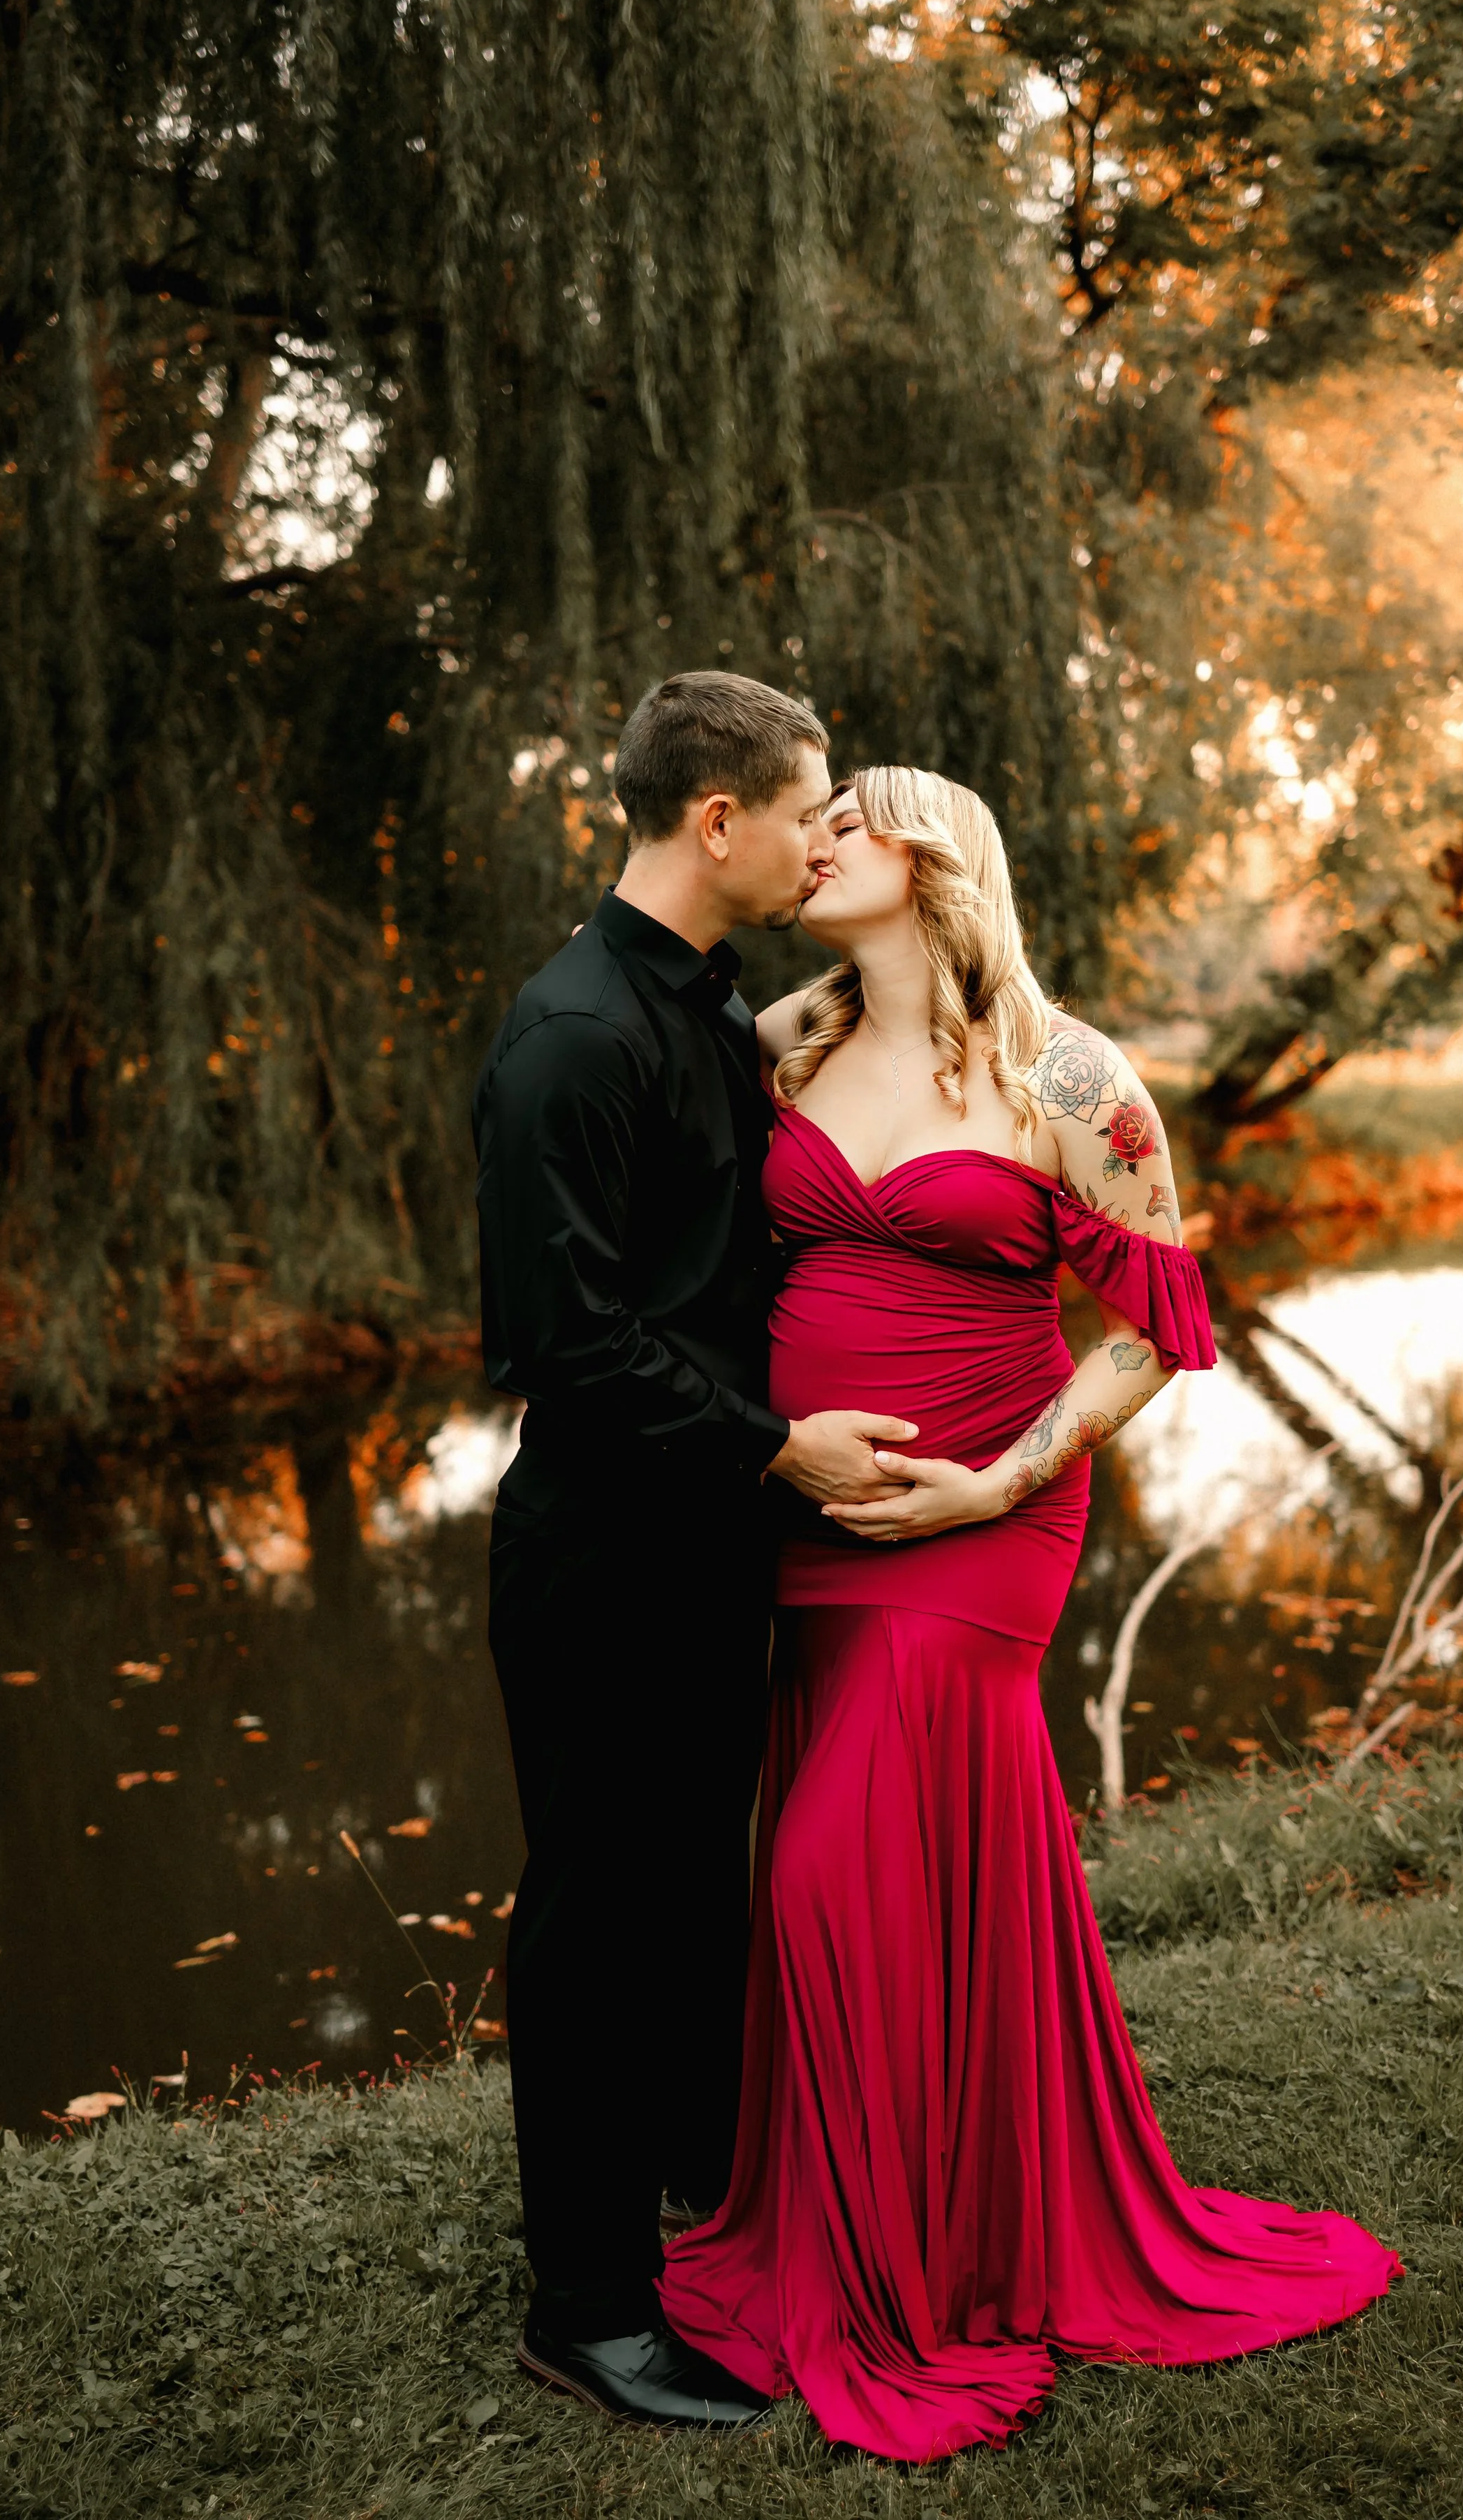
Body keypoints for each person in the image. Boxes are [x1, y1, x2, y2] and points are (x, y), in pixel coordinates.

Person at [659, 765, 1402, 2461]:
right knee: (879, 1860)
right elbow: (712, 1270)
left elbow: (1150, 1328)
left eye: (842, 818)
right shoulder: (777, 1041)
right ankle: (911, 2220)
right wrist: (763, 1447)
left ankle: (895, 2269)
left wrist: (993, 1483)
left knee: (822, 1868)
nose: (808, 839)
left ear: (929, 854)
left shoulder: (1066, 1073)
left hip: (985, 1522)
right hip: (805, 1514)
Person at [472, 676, 936, 2429]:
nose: (826, 835)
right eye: (809, 808)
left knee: (687, 1897)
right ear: (716, 820)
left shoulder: (708, 1008)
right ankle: (584, 2308)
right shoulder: (573, 1033)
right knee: (600, 1917)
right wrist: (774, 1441)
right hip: (605, 1548)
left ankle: (690, 2202)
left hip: (712, 1545)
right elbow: (557, 1339)